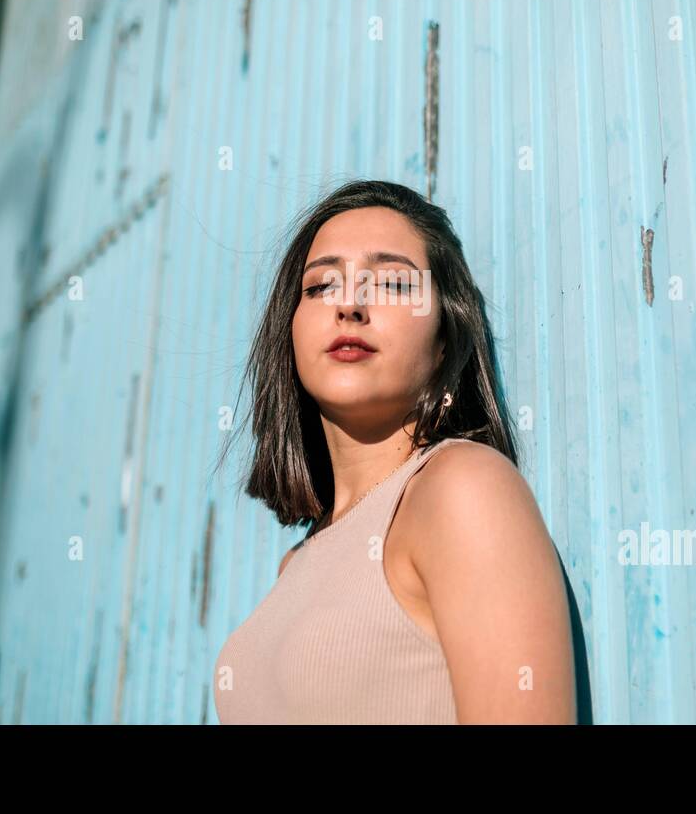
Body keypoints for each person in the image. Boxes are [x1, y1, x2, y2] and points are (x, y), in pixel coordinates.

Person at [213, 179, 575, 723]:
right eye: (320, 286)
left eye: (394, 284)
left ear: (445, 341)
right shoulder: (296, 563)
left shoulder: (462, 489)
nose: (350, 305)